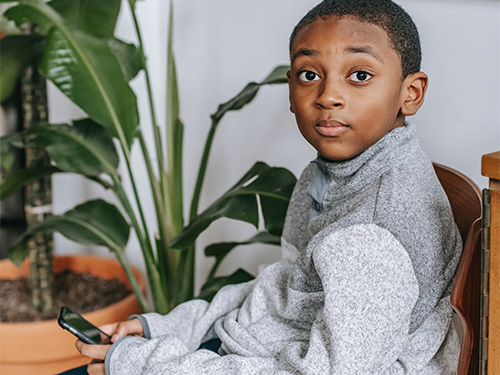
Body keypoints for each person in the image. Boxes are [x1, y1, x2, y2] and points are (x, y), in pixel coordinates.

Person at [72, 0, 462, 373]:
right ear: (290, 90)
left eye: (359, 75)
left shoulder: (370, 239)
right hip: (255, 348)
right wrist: (173, 327)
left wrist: (143, 366)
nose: (328, 96)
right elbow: (288, 285)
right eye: (310, 74)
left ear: (410, 93)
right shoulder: (337, 172)